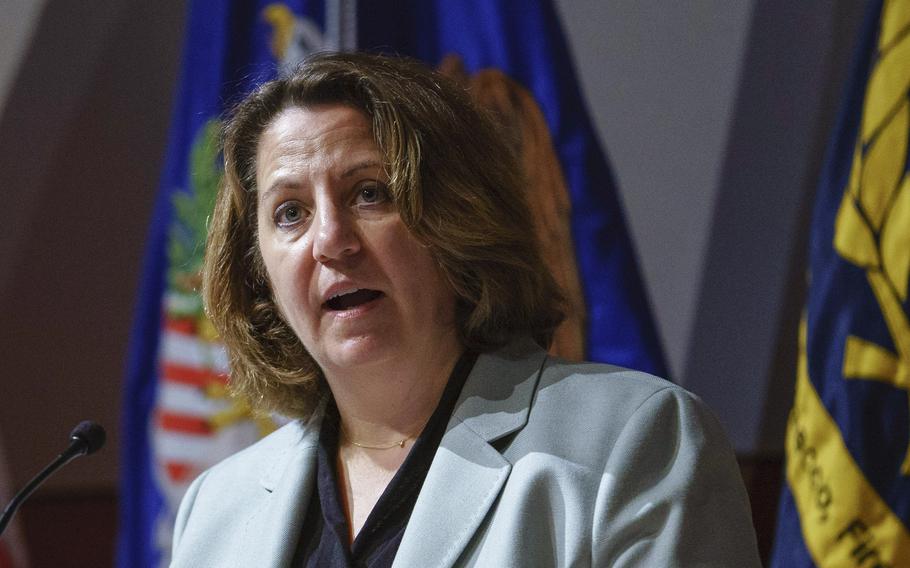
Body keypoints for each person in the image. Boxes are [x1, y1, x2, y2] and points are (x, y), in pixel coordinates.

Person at [170, 51, 761, 567]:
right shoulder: (218, 507)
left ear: (459, 220)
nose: (331, 239)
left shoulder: (633, 443)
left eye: (369, 193)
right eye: (290, 213)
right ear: (259, 271)